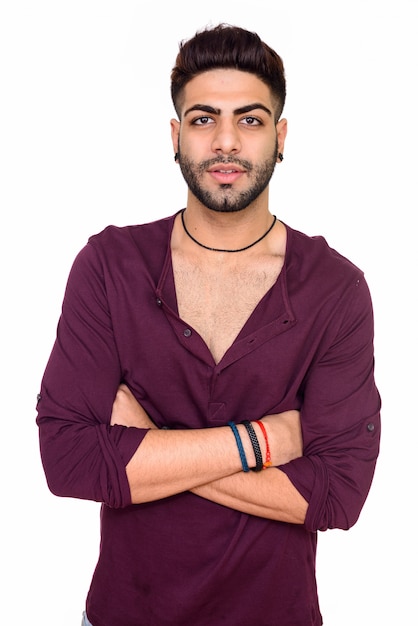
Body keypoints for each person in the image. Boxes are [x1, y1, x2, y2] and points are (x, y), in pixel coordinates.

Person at [36, 23, 381, 626]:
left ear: (280, 137)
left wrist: (149, 447)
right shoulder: (109, 266)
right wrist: (265, 441)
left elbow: (336, 494)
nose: (226, 142)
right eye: (203, 119)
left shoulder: (335, 288)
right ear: (175, 136)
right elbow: (67, 459)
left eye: (249, 120)